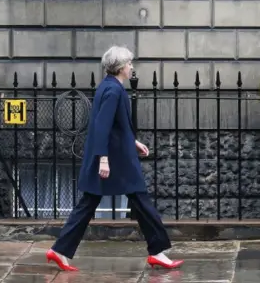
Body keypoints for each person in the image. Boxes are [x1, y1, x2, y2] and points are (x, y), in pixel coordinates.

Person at [45, 46, 184, 271]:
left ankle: (59, 250)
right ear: (120, 67)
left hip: (117, 156)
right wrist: (103, 159)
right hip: (116, 160)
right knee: (140, 201)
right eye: (129, 63)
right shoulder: (113, 91)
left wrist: (133, 142)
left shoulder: (109, 87)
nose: (131, 67)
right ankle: (157, 252)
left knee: (89, 204)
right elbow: (102, 126)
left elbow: (116, 127)